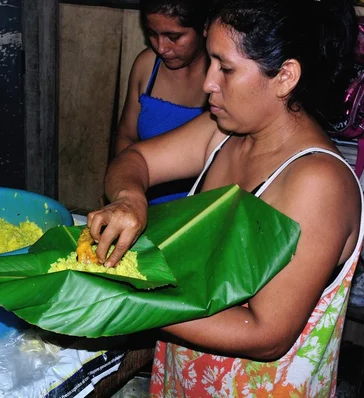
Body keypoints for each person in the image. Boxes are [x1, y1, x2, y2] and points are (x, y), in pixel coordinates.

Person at [88, 0, 363, 395]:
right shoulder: (224, 133)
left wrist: (124, 297)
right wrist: (130, 197)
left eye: (226, 68)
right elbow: (135, 159)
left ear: (285, 76)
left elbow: (266, 334)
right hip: (187, 371)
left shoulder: (317, 182)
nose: (207, 83)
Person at [114, 0, 210, 205]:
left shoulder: (219, 79)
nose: (161, 47)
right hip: (144, 207)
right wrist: (123, 192)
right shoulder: (147, 66)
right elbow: (126, 136)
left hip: (197, 213)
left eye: (173, 37)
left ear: (204, 27)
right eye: (152, 34)